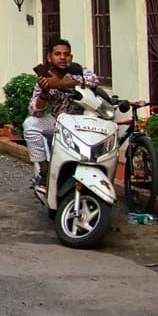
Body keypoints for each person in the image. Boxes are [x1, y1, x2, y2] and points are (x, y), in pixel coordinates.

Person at [24, 38, 98, 199]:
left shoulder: (78, 71)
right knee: (30, 124)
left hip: (82, 123)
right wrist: (44, 92)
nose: (63, 57)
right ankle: (44, 169)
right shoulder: (45, 78)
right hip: (58, 122)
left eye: (66, 54)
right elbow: (35, 110)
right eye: (58, 54)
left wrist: (61, 84)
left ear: (71, 57)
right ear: (50, 57)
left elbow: (93, 80)